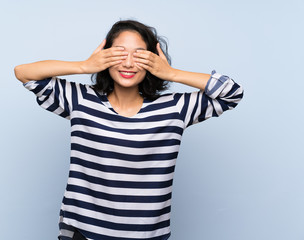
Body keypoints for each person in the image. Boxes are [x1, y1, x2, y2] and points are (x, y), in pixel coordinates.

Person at [14, 20, 243, 240]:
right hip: (83, 231)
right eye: (120, 53)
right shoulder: (81, 100)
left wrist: (171, 73)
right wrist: (84, 66)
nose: (128, 63)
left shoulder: (175, 108)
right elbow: (23, 72)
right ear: (105, 56)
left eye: (140, 55)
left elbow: (232, 93)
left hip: (147, 235)